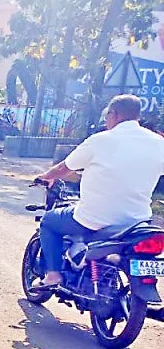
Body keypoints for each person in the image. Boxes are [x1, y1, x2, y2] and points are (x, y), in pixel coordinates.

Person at [34, 94, 164, 288]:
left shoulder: (100, 140)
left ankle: (53, 275)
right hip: (136, 221)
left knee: (49, 221)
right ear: (137, 116)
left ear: (113, 114)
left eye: (107, 116)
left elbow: (64, 168)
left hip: (93, 219)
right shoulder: (158, 143)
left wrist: (46, 176)